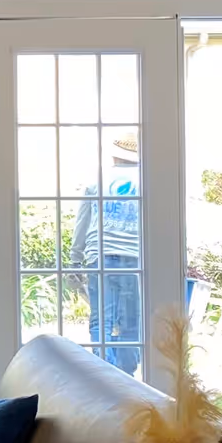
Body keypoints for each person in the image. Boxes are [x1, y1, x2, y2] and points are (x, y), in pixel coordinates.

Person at [68, 140, 143, 377]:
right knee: (132, 323)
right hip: (134, 256)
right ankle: (126, 378)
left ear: (114, 156)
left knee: (102, 320)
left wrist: (74, 261)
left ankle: (106, 378)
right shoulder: (147, 180)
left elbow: (82, 224)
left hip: (100, 256)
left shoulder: (97, 180)